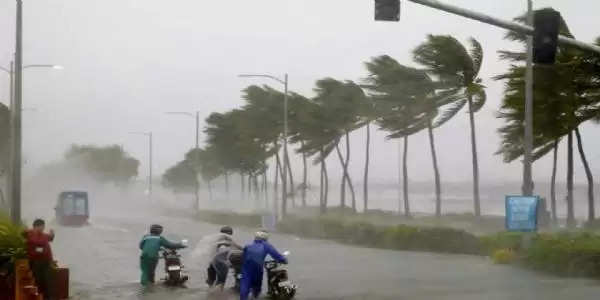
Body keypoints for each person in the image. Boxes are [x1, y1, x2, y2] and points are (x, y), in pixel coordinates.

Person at [240, 230, 287, 300]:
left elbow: (243, 256)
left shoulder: (248, 246)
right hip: (257, 266)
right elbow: (276, 255)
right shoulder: (266, 245)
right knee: (257, 284)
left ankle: (243, 298)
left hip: (247, 266)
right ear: (266, 238)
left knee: (245, 283)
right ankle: (255, 296)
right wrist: (284, 260)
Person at [23, 219, 55, 300]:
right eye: (42, 226)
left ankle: (47, 297)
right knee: (39, 281)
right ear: (36, 226)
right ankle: (40, 297)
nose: (43, 228)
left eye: (43, 226)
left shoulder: (42, 235)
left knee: (47, 281)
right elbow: (36, 243)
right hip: (36, 262)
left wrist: (52, 234)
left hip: (46, 261)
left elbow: (50, 238)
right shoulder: (30, 234)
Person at [206, 225, 242, 290]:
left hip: (212, 264)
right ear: (230, 233)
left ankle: (210, 291)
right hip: (221, 264)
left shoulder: (216, 240)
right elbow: (237, 248)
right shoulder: (226, 241)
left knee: (212, 281)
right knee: (221, 281)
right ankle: (218, 294)